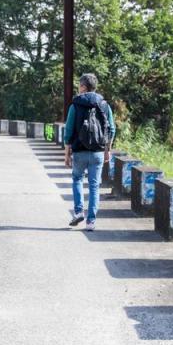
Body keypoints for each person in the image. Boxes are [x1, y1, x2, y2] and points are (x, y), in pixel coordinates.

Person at [63, 73, 115, 231]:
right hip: (98, 151)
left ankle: (79, 212)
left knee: (77, 179)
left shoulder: (75, 105)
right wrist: (108, 150)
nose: (78, 88)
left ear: (84, 87)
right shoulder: (104, 105)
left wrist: (67, 153)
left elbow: (68, 131)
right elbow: (111, 129)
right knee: (94, 186)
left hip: (79, 151)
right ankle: (91, 221)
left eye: (79, 85)